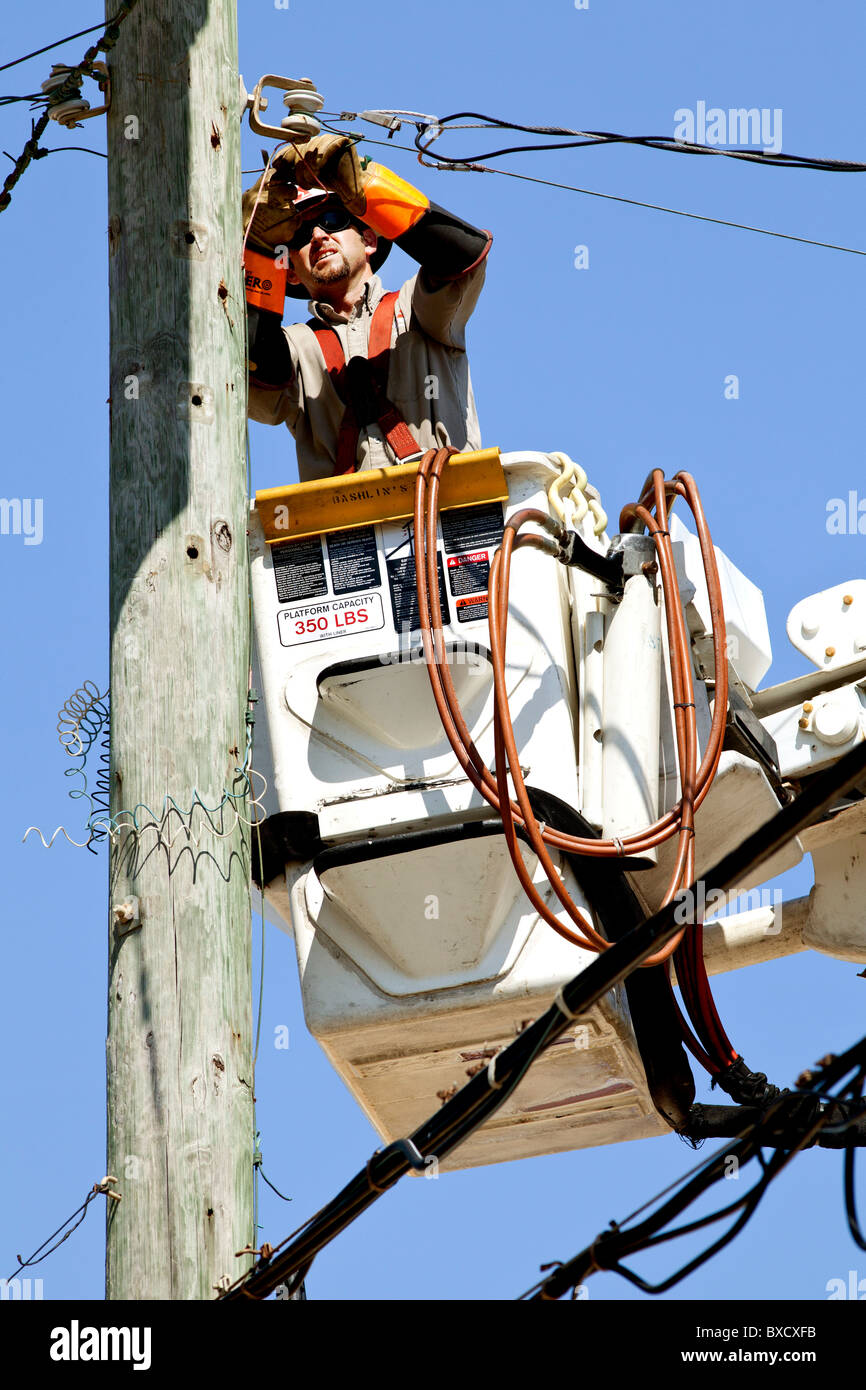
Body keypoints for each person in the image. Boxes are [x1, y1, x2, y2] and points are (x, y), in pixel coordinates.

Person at [242, 133, 492, 481]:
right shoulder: (296, 349)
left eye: (332, 221)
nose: (317, 236)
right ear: (291, 274)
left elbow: (463, 257)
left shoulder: (418, 310)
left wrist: (367, 186)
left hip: (445, 513)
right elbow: (257, 380)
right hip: (344, 529)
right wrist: (257, 252)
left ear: (370, 239)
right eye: (298, 236)